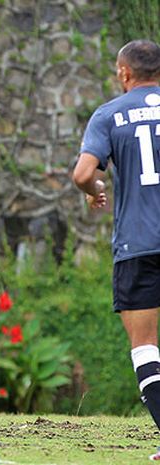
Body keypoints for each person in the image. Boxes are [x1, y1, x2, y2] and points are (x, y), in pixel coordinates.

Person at [73, 39, 160, 461]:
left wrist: (95, 190)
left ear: (124, 73)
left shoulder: (110, 114)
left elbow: (83, 173)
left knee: (145, 346)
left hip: (138, 244)